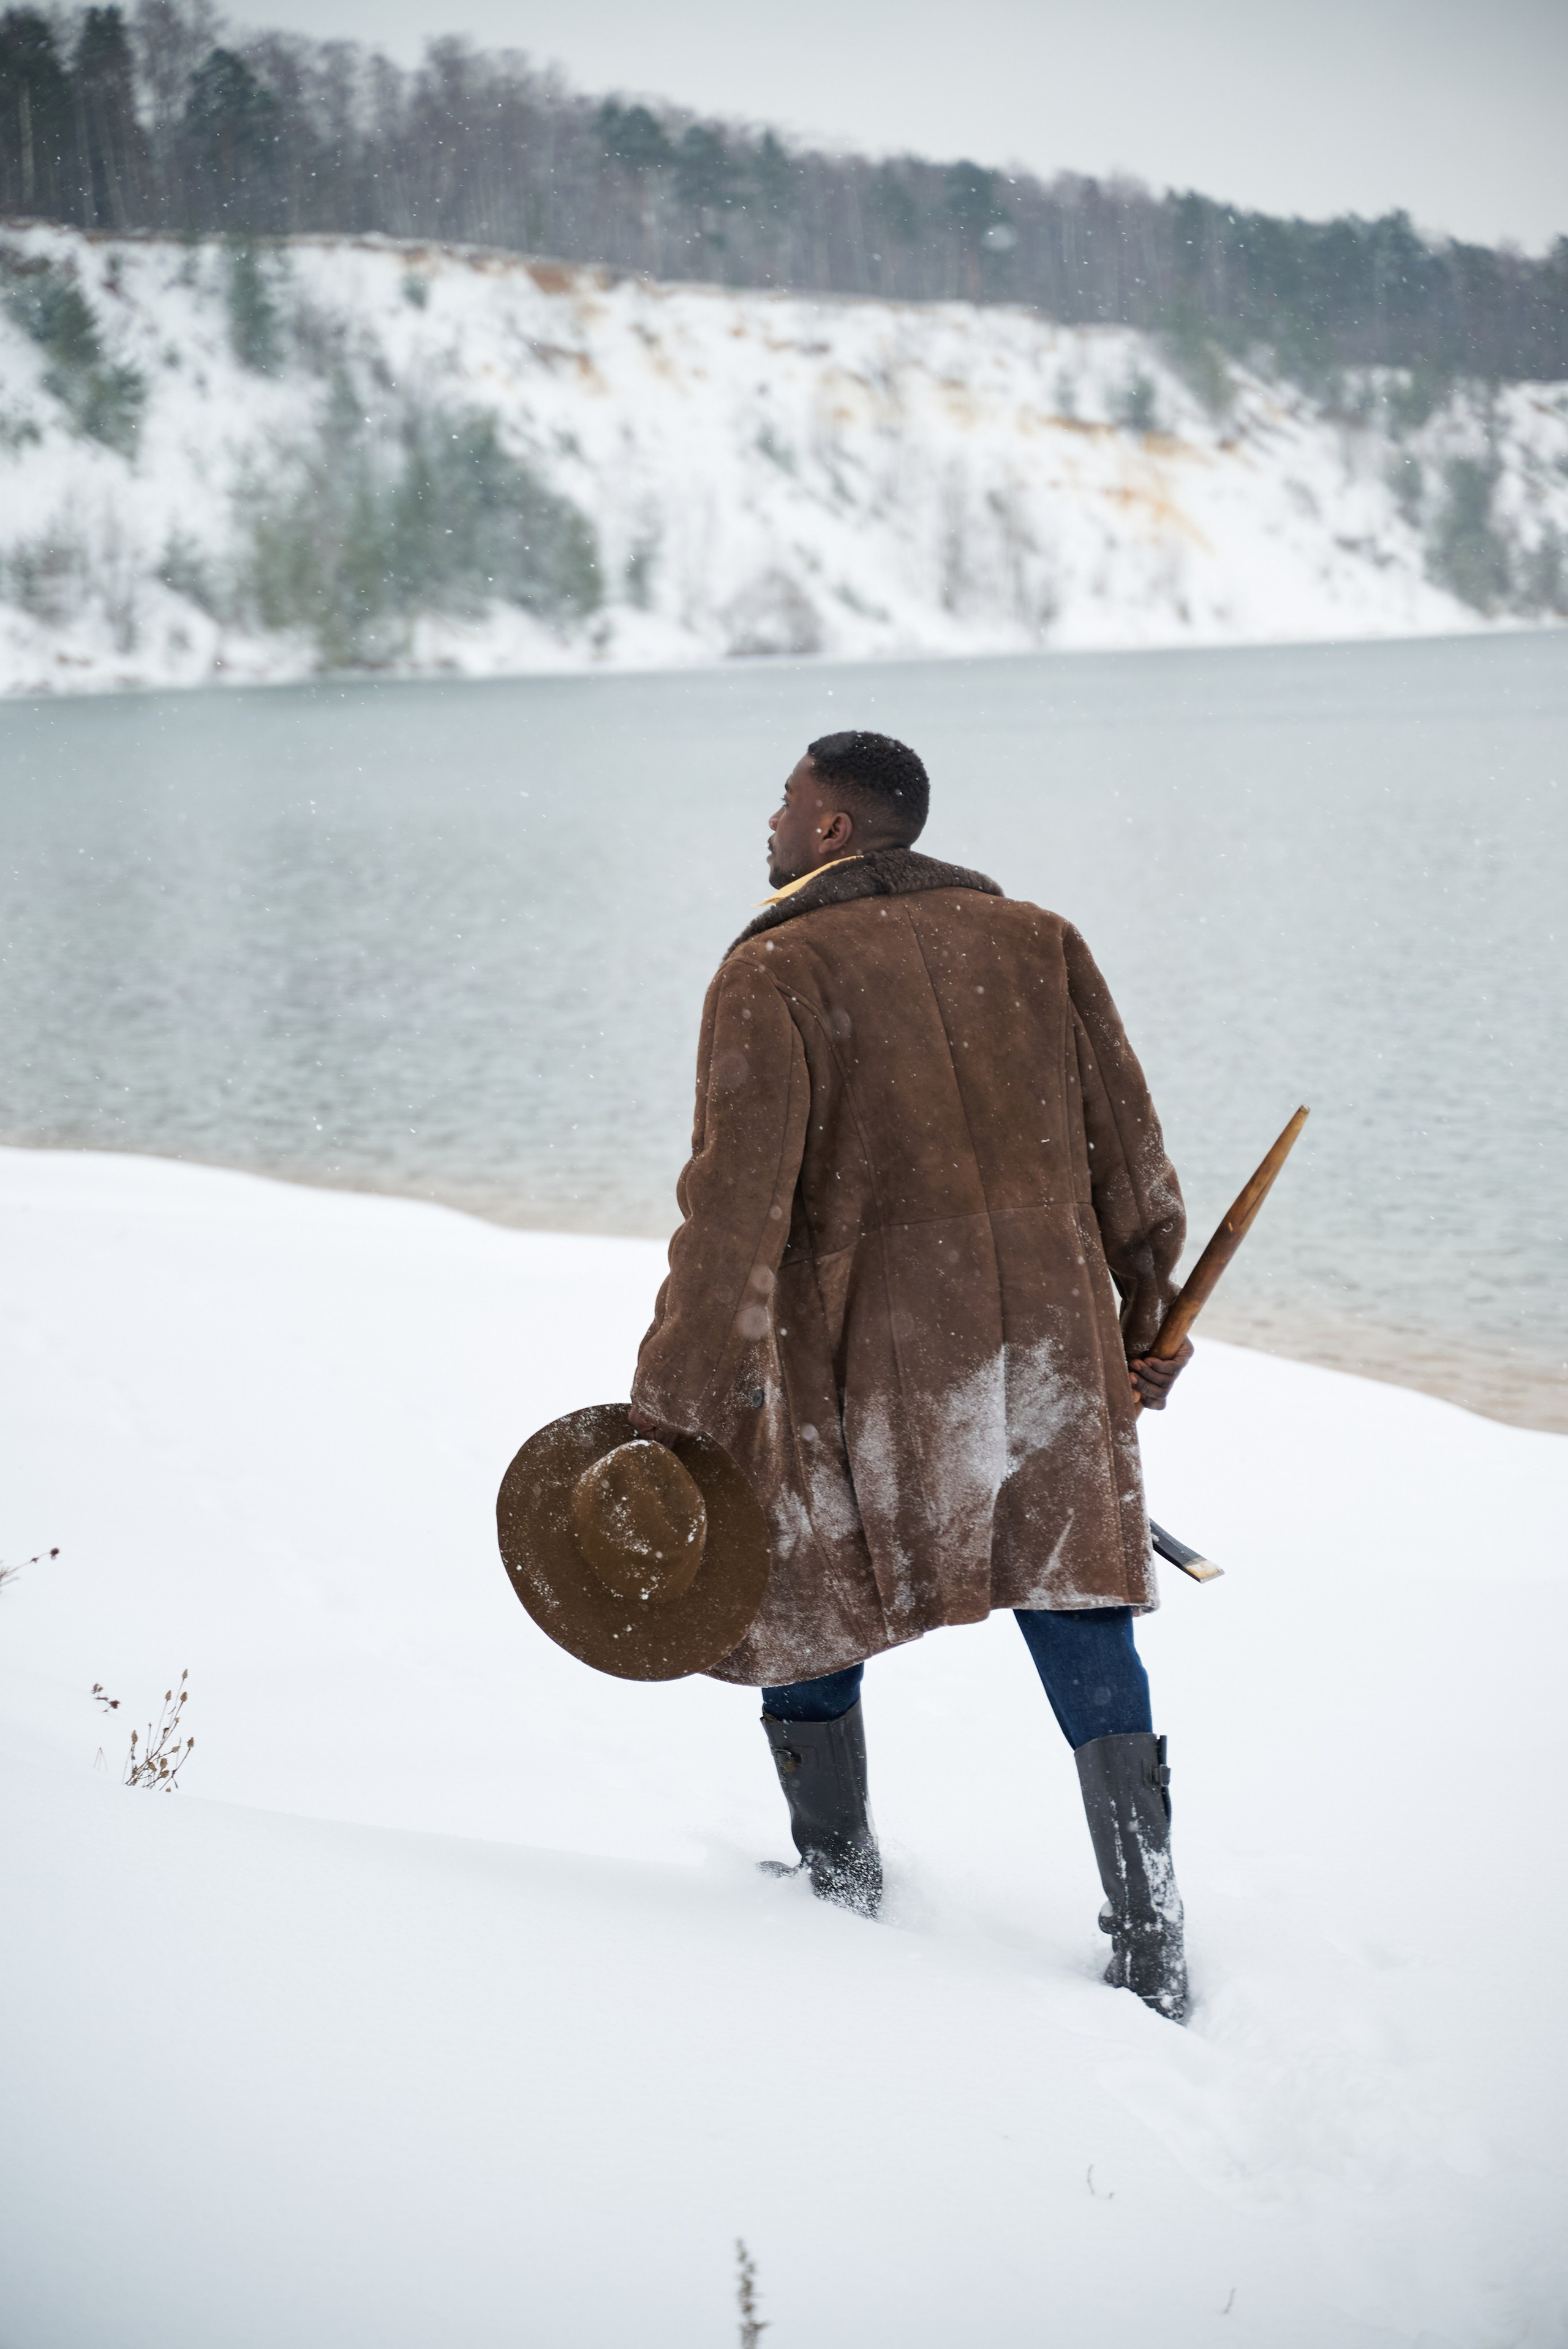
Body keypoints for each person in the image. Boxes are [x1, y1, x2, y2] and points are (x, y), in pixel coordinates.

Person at [629, 730, 1194, 2021]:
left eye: (784, 804)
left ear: (833, 829)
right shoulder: (1036, 941)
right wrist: (1144, 1314)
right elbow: (1130, 1154)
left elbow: (729, 1222)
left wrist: (673, 1407)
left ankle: (836, 1888)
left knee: (799, 1590)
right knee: (1074, 1596)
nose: (766, 825)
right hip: (1046, 1343)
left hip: (860, 1368)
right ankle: (1149, 1929)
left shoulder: (771, 971)